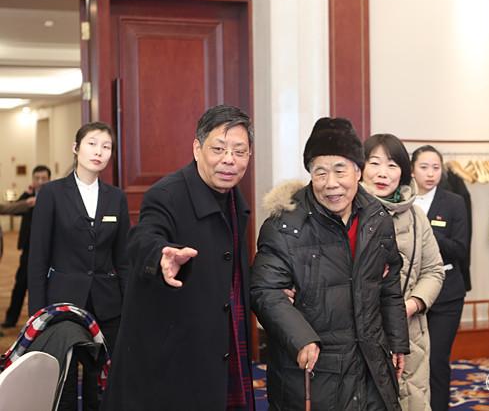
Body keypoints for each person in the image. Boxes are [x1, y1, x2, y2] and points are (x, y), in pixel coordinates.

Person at [101, 105, 255, 411]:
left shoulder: (236, 201)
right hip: (168, 359)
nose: (229, 159)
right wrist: (161, 257)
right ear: (197, 149)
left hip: (215, 346)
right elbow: (143, 237)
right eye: (218, 149)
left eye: (239, 151)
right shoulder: (166, 194)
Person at [251, 118, 410, 411]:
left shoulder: (376, 218)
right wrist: (301, 338)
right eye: (320, 172)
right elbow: (265, 291)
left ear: (358, 171)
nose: (331, 183)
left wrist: (398, 341)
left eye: (340, 170)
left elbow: (389, 286)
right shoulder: (285, 224)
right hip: (316, 368)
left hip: (370, 363)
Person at [28, 122, 130, 411]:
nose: (99, 152)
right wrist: (37, 315)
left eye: (106, 147)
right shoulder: (51, 193)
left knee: (103, 383)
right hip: (63, 304)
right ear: (76, 148)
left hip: (108, 305)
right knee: (65, 383)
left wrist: (128, 306)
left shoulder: (116, 197)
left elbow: (123, 259)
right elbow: (38, 258)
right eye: (92, 144)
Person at [362, 134, 445, 411]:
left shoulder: (416, 216)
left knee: (410, 399)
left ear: (403, 172)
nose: (382, 173)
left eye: (392, 165)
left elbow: (433, 270)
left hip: (409, 331)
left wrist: (411, 305)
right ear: (360, 167)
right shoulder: (346, 212)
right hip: (360, 331)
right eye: (374, 163)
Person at [411, 145, 469, 411]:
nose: (430, 173)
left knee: (436, 360)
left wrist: (426, 230)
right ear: (412, 169)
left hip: (446, 292)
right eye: (424, 167)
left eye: (436, 168)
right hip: (409, 293)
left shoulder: (454, 202)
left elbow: (460, 249)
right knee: (410, 360)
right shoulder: (402, 199)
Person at [2, 165, 51, 328]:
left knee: (47, 285)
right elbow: (14, 209)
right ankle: (11, 318)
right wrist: (26, 197)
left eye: (44, 178)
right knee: (21, 283)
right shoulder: (28, 197)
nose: (40, 181)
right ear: (32, 180)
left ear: (49, 179)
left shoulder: (53, 196)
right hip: (28, 249)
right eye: (37, 178)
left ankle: (46, 320)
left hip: (48, 250)